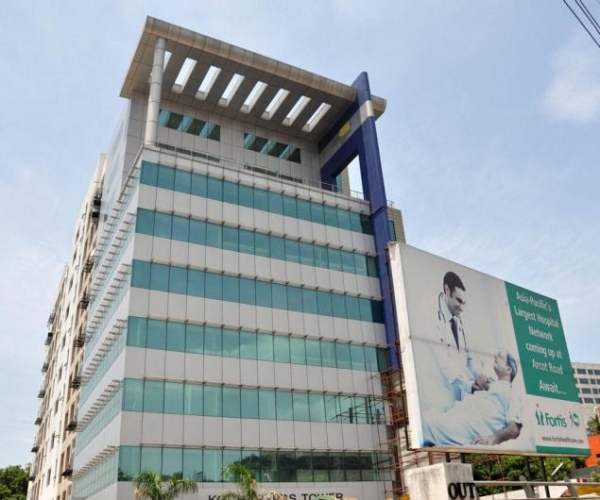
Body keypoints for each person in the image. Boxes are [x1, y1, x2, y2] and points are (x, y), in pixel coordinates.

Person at [419, 271, 490, 413]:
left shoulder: (458, 316)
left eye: (464, 303)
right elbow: (445, 363)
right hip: (437, 397)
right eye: (458, 301)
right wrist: (470, 386)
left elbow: (467, 356)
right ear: (447, 290)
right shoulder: (429, 312)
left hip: (456, 399)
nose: (462, 307)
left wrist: (480, 376)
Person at [422, 350, 523, 446]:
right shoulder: (492, 385)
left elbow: (514, 429)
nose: (495, 356)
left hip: (459, 428)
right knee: (427, 417)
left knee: (421, 422)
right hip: (454, 419)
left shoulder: (512, 394)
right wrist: (480, 384)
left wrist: (493, 438)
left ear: (508, 369)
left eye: (500, 356)